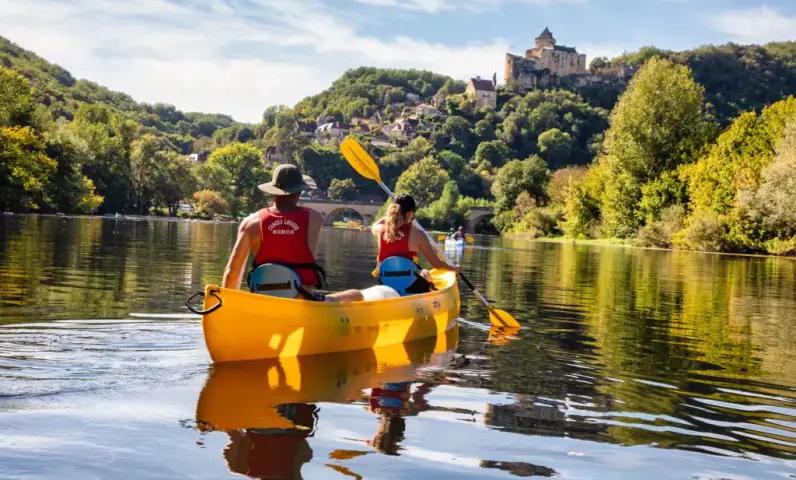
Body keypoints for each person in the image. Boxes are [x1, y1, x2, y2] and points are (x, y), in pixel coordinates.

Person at [222, 164, 362, 302]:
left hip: (263, 302)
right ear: (300, 192)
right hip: (302, 302)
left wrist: (230, 308)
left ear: (273, 192)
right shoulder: (315, 218)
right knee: (357, 295)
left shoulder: (250, 223)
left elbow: (231, 274)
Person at [371, 194, 460, 294]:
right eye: (413, 212)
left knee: (424, 273)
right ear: (409, 214)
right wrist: (453, 269)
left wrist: (390, 218)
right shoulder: (418, 234)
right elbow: (437, 264)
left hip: (385, 284)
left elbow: (374, 226)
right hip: (410, 286)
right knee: (425, 273)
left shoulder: (381, 230)